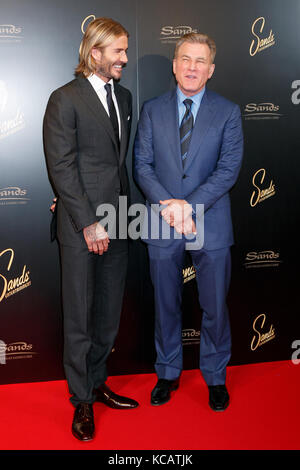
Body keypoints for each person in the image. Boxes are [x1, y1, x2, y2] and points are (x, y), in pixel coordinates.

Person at [134, 32, 243, 411]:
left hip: (210, 222)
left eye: (200, 61)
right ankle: (167, 371)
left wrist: (188, 206)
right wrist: (169, 203)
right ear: (175, 64)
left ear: (210, 70)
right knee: (166, 302)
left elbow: (228, 171)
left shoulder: (228, 112)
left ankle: (215, 376)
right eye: (185, 58)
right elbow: (142, 166)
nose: (191, 67)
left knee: (214, 305)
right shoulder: (151, 109)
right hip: (162, 219)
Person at [43, 17, 138, 442]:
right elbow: (62, 168)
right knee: (79, 316)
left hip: (120, 219)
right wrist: (88, 222)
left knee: (107, 314)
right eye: (117, 51)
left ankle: (98, 383)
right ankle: (80, 399)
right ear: (94, 52)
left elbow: (116, 165)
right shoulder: (65, 99)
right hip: (83, 226)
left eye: (125, 50)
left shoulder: (126, 96)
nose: (124, 58)